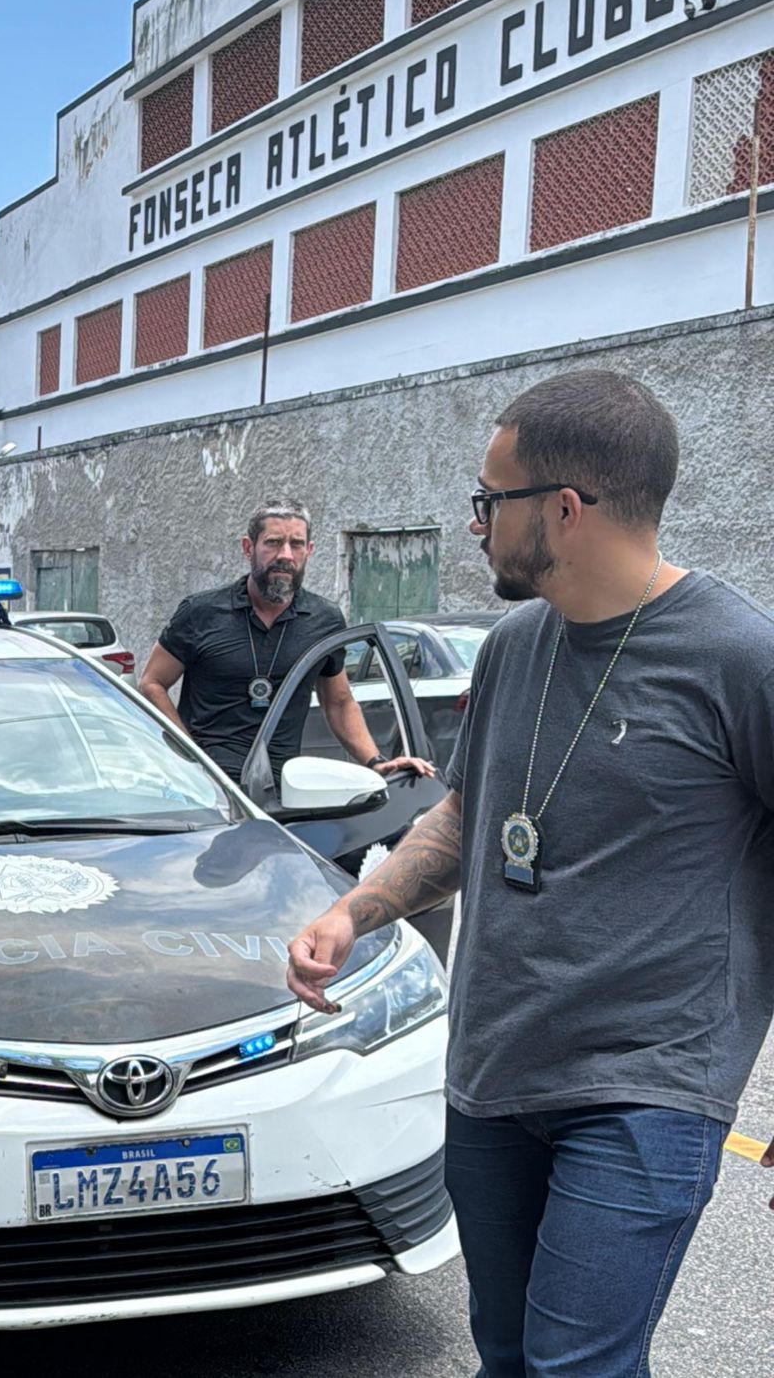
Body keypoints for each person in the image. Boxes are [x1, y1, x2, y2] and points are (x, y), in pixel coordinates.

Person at [286, 370, 774, 1378]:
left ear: (562, 507)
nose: (475, 526)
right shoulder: (512, 648)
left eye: (487, 500)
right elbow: (468, 815)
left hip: (647, 1087)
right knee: (505, 1355)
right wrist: (358, 910)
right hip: (495, 1072)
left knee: (573, 1365)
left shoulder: (738, 657)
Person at [139, 499, 436, 784]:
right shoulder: (200, 612)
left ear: (309, 550)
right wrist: (188, 759)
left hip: (284, 793)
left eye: (295, 544)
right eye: (273, 542)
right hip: (206, 788)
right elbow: (152, 683)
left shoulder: (325, 619)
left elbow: (339, 702)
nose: (285, 554)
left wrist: (376, 762)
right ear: (248, 547)